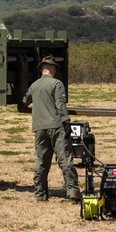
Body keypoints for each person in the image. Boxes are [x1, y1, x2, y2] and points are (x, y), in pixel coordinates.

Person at [23, 56, 80, 201]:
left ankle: (40, 194)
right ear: (53, 69)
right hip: (56, 126)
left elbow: (25, 100)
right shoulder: (57, 84)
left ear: (42, 69)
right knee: (65, 159)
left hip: (39, 127)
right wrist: (66, 122)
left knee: (41, 161)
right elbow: (60, 104)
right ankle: (72, 191)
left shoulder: (34, 85)